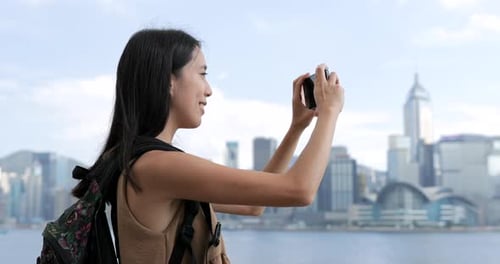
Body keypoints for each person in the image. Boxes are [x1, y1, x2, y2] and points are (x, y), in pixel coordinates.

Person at [73, 28, 344, 264]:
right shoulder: (157, 166)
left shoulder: (140, 163)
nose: (209, 89)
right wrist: (329, 112)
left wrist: (297, 127)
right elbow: (300, 190)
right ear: (169, 81)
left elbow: (255, 206)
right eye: (202, 74)